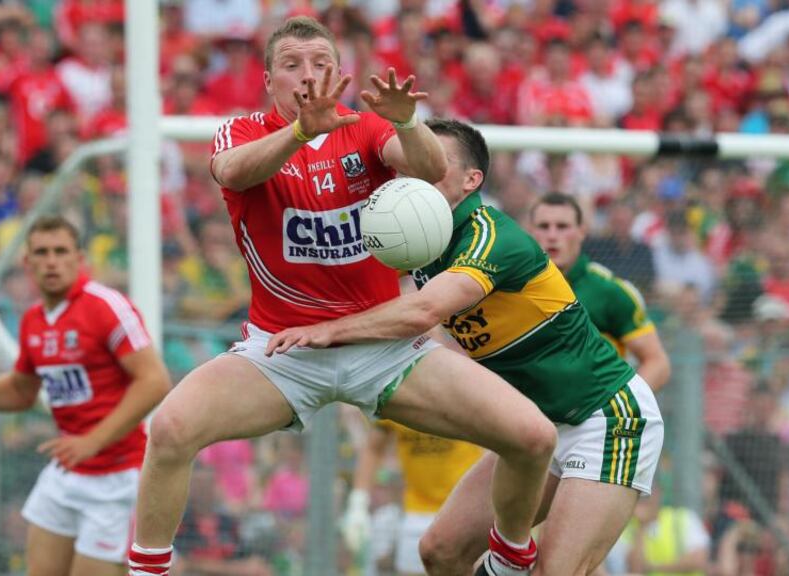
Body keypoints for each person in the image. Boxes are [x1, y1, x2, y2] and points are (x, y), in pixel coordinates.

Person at [127, 17, 556, 576]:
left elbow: (431, 172)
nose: (308, 75)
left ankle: (509, 561)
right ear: (268, 80)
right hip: (281, 354)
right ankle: (147, 572)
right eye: (292, 65)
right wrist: (301, 132)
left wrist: (408, 123)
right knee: (169, 430)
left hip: (383, 346)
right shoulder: (243, 133)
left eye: (320, 63)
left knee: (533, 437)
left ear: (338, 73)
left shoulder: (368, 129)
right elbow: (232, 172)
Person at [266, 118, 665, 576]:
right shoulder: (422, 242)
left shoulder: (489, 235)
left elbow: (421, 312)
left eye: (435, 164)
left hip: (606, 420)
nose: (418, 171)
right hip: (539, 430)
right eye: (414, 162)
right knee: (441, 550)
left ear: (471, 180)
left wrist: (329, 330)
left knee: (556, 571)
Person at [0, 215, 171, 575]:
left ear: (79, 258)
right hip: (67, 471)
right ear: (27, 263)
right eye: (41, 253)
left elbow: (154, 382)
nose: (51, 261)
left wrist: (92, 441)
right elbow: (20, 392)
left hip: (117, 477)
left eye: (61, 251)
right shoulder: (34, 319)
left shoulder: (106, 307)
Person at [529, 192, 672, 390]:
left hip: (593, 415)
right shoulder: (509, 288)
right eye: (544, 227)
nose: (552, 235)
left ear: (582, 231)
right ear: (529, 232)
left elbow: (657, 363)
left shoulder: (610, 290)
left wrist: (622, 406)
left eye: (562, 227)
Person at [344, 419, 484, 575]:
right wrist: (358, 503)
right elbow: (373, 447)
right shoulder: (396, 399)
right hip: (416, 512)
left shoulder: (465, 397)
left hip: (464, 510)